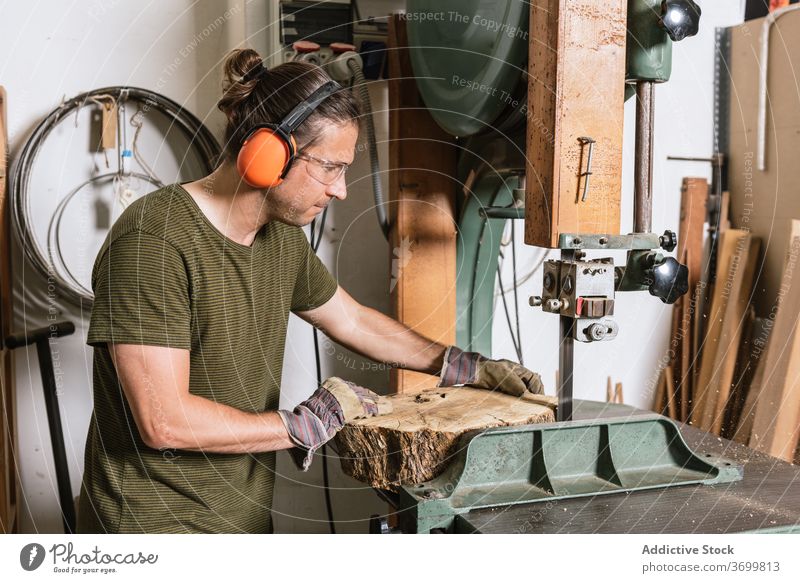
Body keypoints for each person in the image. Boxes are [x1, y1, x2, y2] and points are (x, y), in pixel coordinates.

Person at [76, 48, 544, 534]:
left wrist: (464, 366)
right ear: (267, 155)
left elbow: (352, 320)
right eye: (331, 168)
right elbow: (163, 419)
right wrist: (302, 425)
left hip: (241, 519)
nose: (341, 190)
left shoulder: (279, 238)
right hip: (152, 530)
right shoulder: (154, 241)